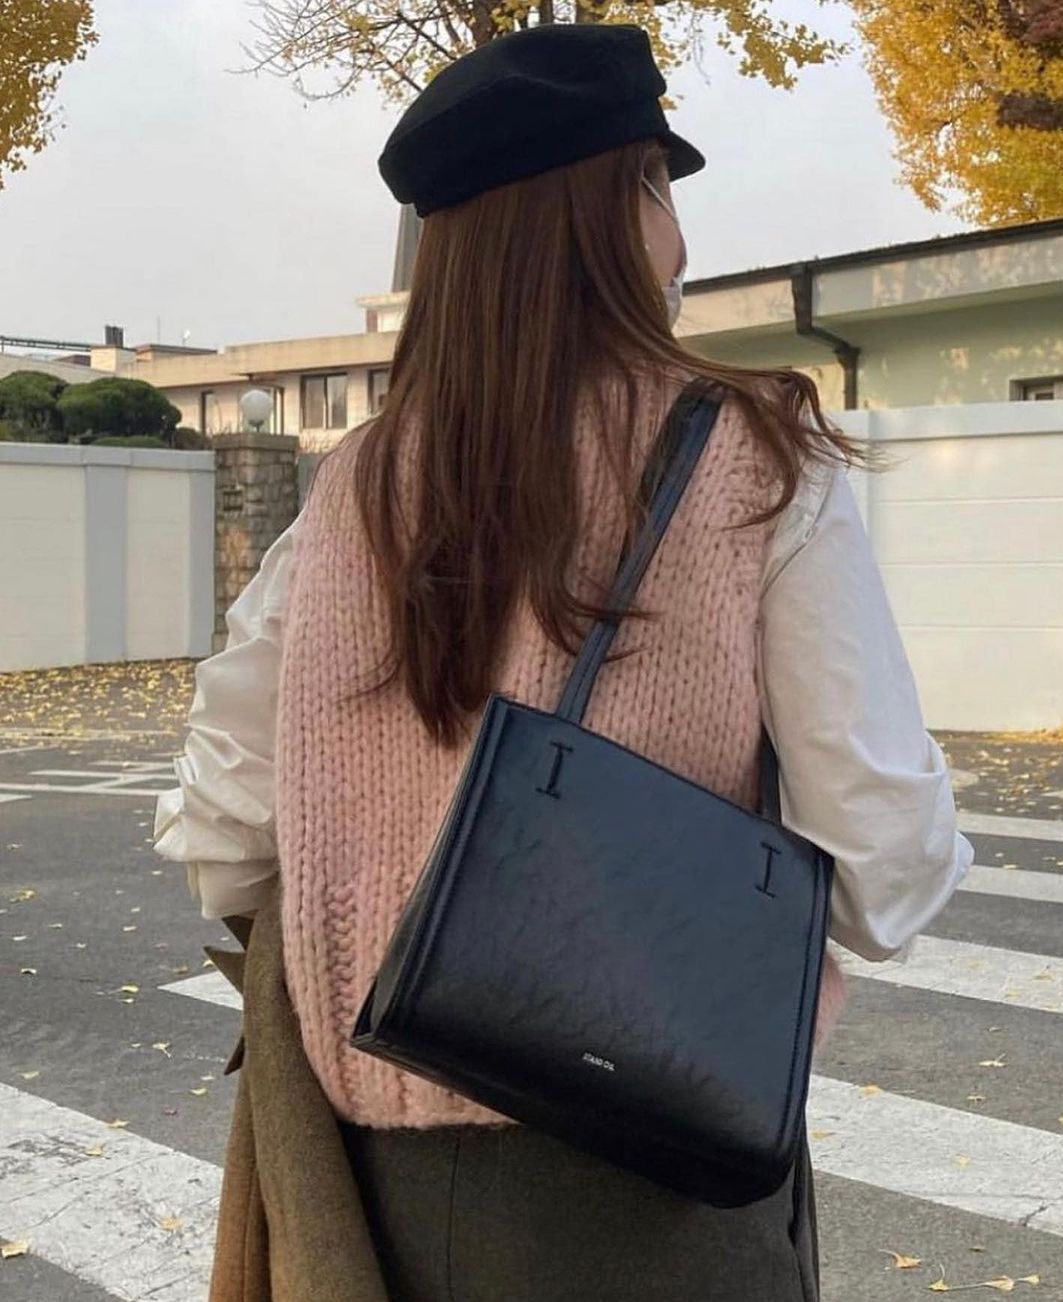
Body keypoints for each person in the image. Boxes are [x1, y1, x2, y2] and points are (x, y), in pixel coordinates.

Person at [153, 22, 973, 1302]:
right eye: (657, 183)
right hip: (658, 1168)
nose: (679, 236)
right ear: (613, 205)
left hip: (379, 1207)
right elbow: (880, 864)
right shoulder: (757, 460)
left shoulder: (356, 487)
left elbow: (225, 829)